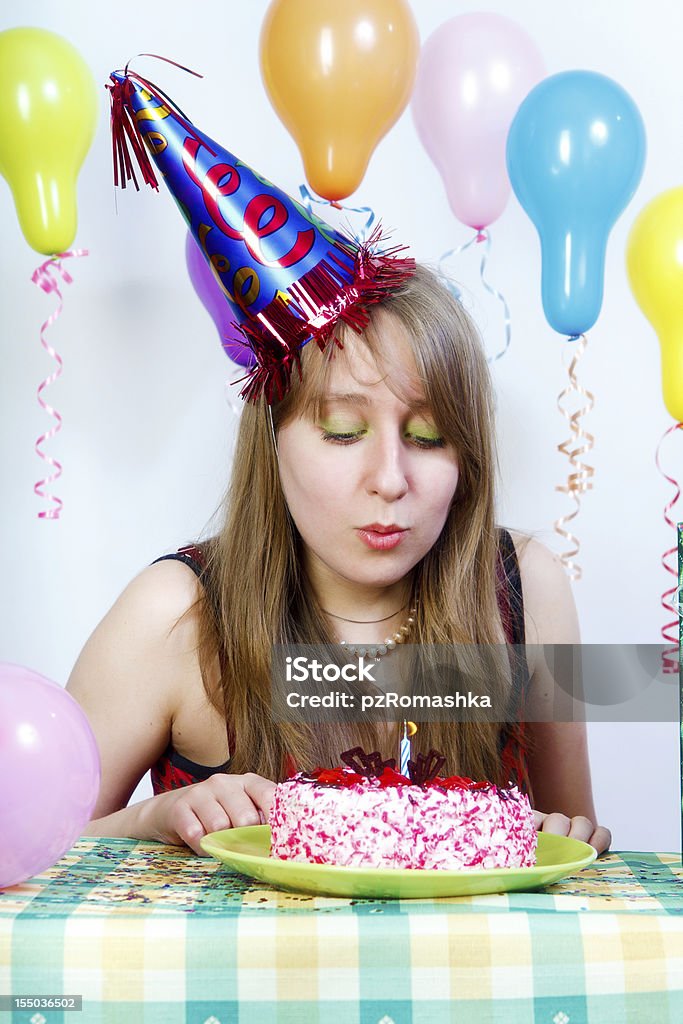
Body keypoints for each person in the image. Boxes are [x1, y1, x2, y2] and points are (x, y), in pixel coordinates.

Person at [67, 264, 612, 858]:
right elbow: (28, 859)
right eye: (344, 430)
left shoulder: (526, 587)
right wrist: (150, 819)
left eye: (428, 436)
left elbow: (574, 857)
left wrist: (569, 838)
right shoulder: (175, 612)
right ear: (271, 436)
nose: (389, 480)